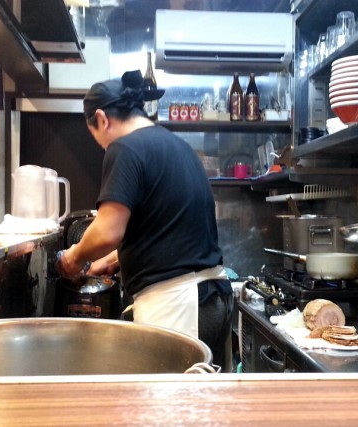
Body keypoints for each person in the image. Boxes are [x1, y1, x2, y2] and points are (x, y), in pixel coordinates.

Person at [55, 70, 233, 370]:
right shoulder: (176, 146)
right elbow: (165, 228)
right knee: (199, 397)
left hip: (177, 304)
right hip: (211, 299)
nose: (101, 146)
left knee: (168, 400)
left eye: (95, 137)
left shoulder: (124, 148)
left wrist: (74, 258)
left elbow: (107, 231)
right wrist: (106, 262)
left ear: (101, 119)